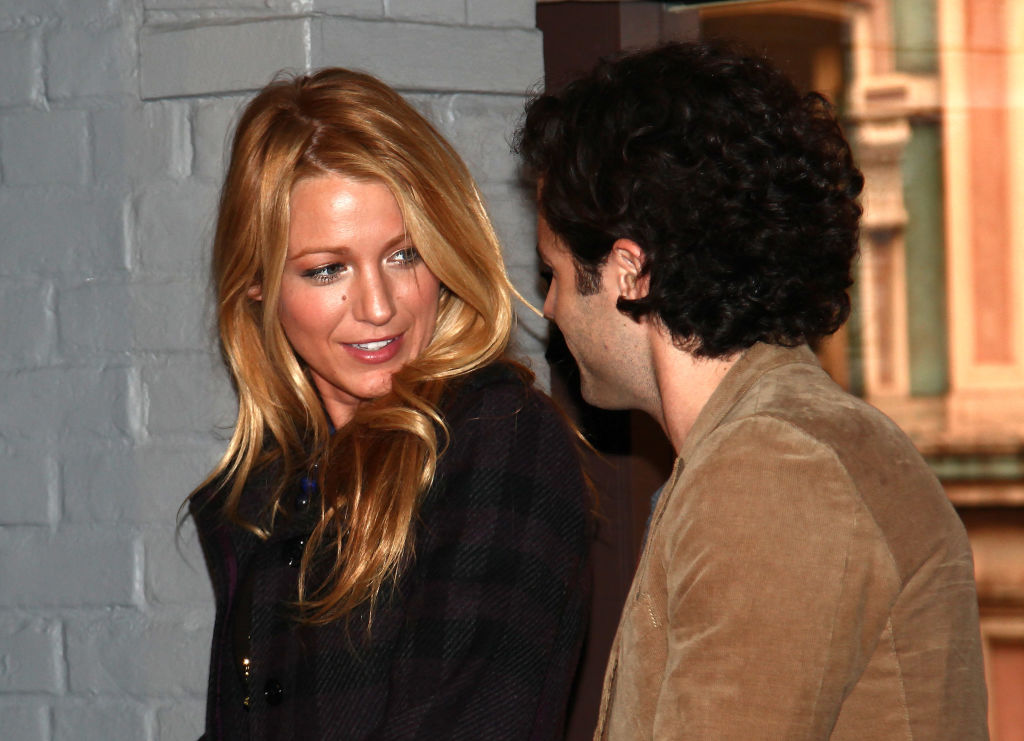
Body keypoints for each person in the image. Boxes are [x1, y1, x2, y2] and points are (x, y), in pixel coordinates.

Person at [515, 41, 988, 740]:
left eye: (552, 272)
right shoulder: (777, 446)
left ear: (627, 271)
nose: (548, 308)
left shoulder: (770, 470)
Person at [188, 67, 591, 741]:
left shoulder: (498, 440)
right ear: (256, 285)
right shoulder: (271, 489)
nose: (378, 307)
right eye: (327, 269)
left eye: (405, 256)